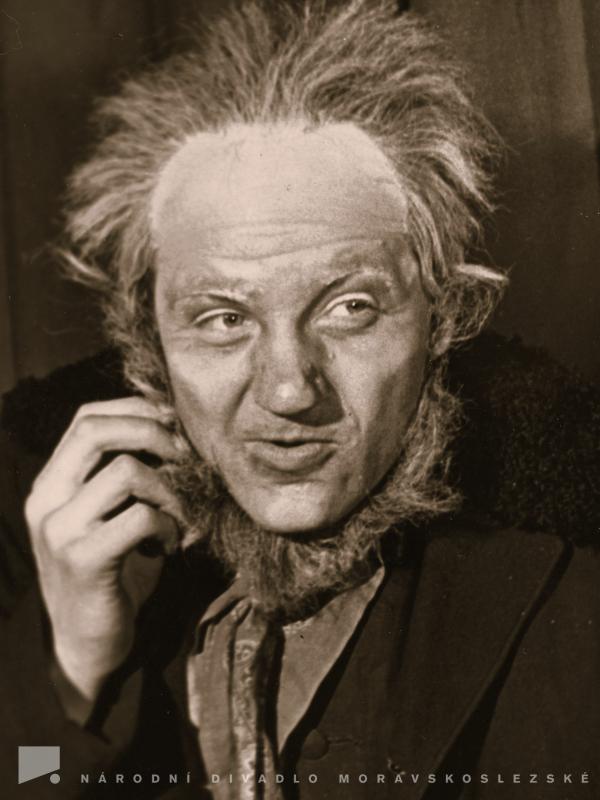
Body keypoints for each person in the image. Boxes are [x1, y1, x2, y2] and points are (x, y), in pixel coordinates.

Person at [1, 1, 599, 798]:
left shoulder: (572, 612)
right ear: (148, 344)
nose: (289, 389)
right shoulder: (65, 570)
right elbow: (30, 779)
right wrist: (70, 678)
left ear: (443, 317)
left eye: (349, 308)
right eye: (223, 319)